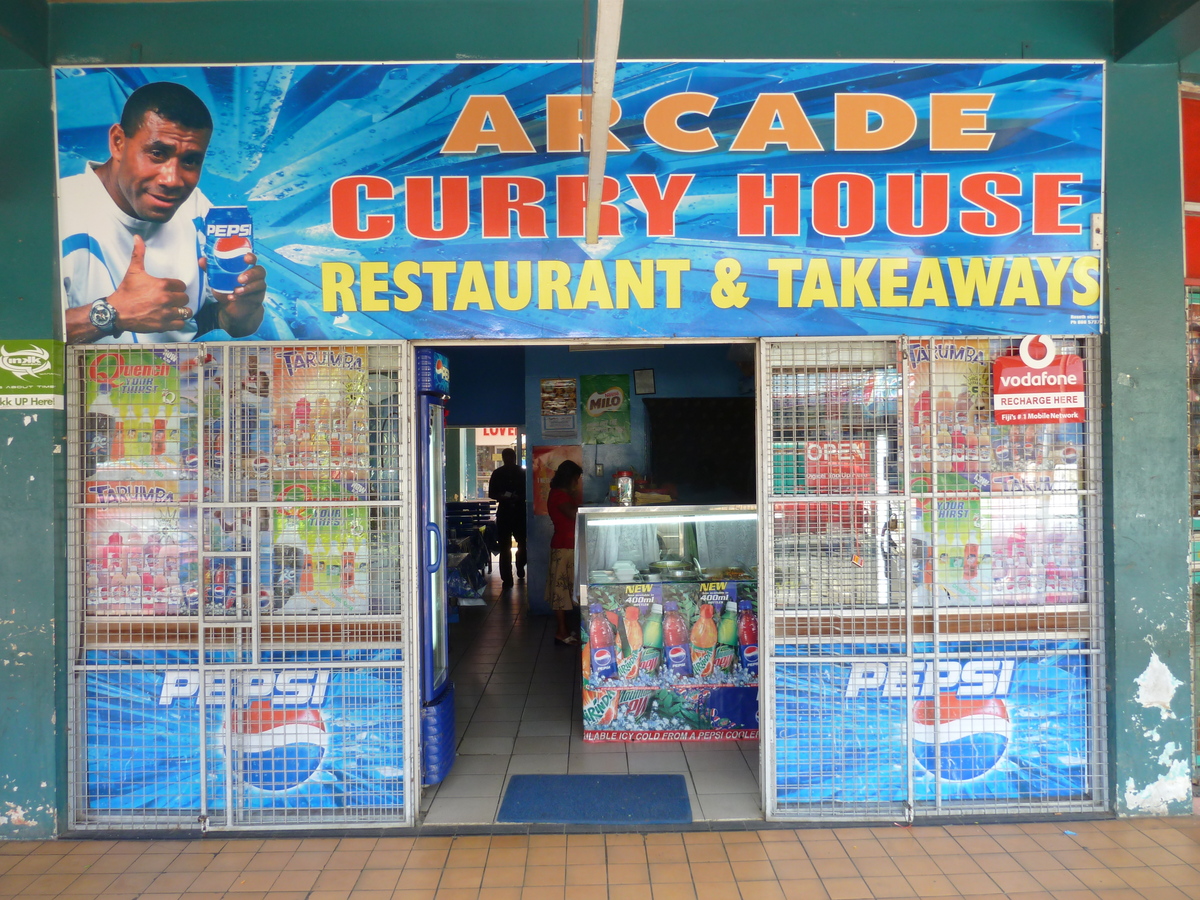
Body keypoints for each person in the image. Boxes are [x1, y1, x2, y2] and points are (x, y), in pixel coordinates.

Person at [60, 81, 267, 344]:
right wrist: (111, 314)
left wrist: (236, 312)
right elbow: (15, 340)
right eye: (157, 153)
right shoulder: (54, 213)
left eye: (190, 160)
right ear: (118, 143)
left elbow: (201, 323)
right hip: (86, 384)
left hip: (178, 382)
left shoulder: (198, 209)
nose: (173, 180)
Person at [546, 459, 583, 645]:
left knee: (567, 590)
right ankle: (561, 631)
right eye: (576, 479)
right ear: (570, 479)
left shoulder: (562, 494)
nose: (577, 483)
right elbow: (573, 515)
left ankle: (565, 629)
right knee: (560, 592)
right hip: (564, 548)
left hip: (569, 547)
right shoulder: (560, 495)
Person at [487, 447, 527, 589]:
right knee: (516, 544)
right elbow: (492, 493)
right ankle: (514, 571)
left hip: (509, 511)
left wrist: (504, 496)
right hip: (515, 511)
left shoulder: (501, 473)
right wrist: (512, 497)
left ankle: (511, 573)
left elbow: (492, 493)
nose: (509, 460)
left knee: (510, 545)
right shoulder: (520, 473)